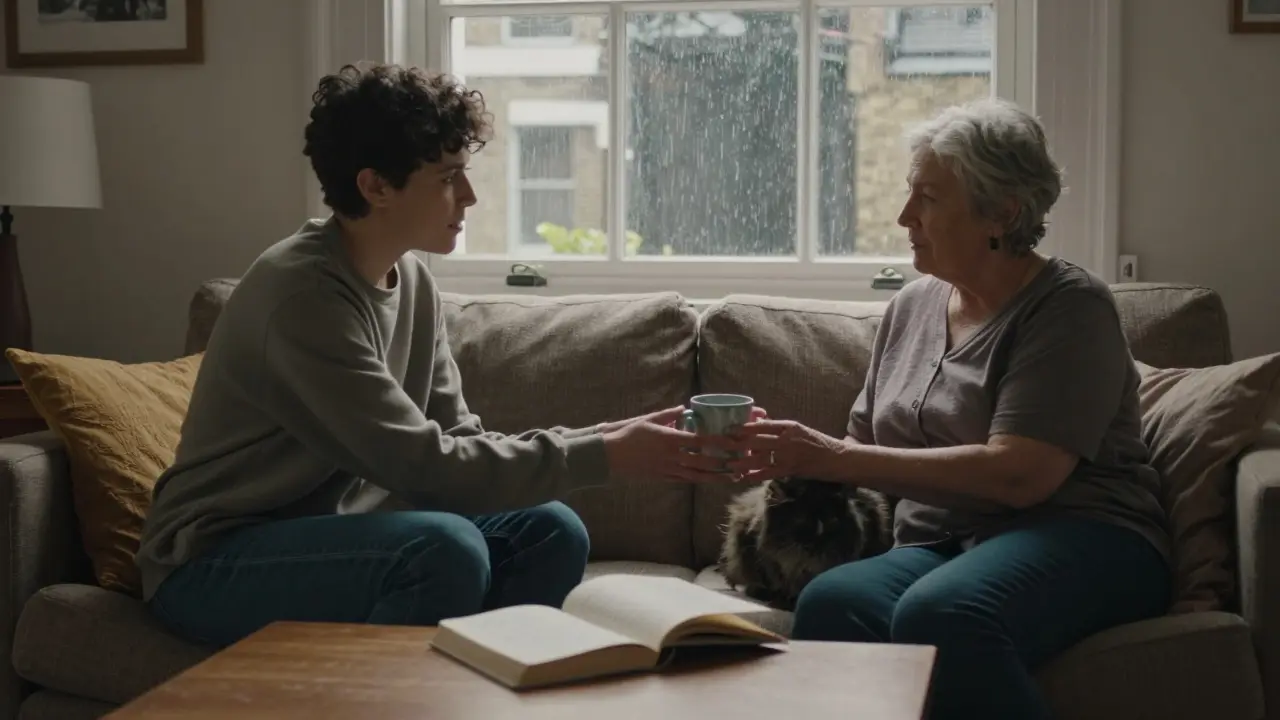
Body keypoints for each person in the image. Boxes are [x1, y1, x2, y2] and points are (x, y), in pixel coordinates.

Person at [136, 63, 741, 649]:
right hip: (215, 560)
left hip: (338, 537)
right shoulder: (303, 299)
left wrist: (616, 435)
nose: (471, 195)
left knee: (549, 530)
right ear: (376, 187)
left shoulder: (412, 280)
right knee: (442, 547)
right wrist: (608, 452)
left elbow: (460, 440)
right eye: (448, 176)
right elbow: (425, 467)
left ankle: (493, 680)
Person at [725, 98, 1171, 720]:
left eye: (928, 199)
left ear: (1002, 212)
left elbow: (1021, 475)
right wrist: (784, 459)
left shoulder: (1070, 310)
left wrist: (836, 456)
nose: (905, 216)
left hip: (1084, 534)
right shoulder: (912, 307)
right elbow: (860, 452)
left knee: (942, 611)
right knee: (832, 601)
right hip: (941, 540)